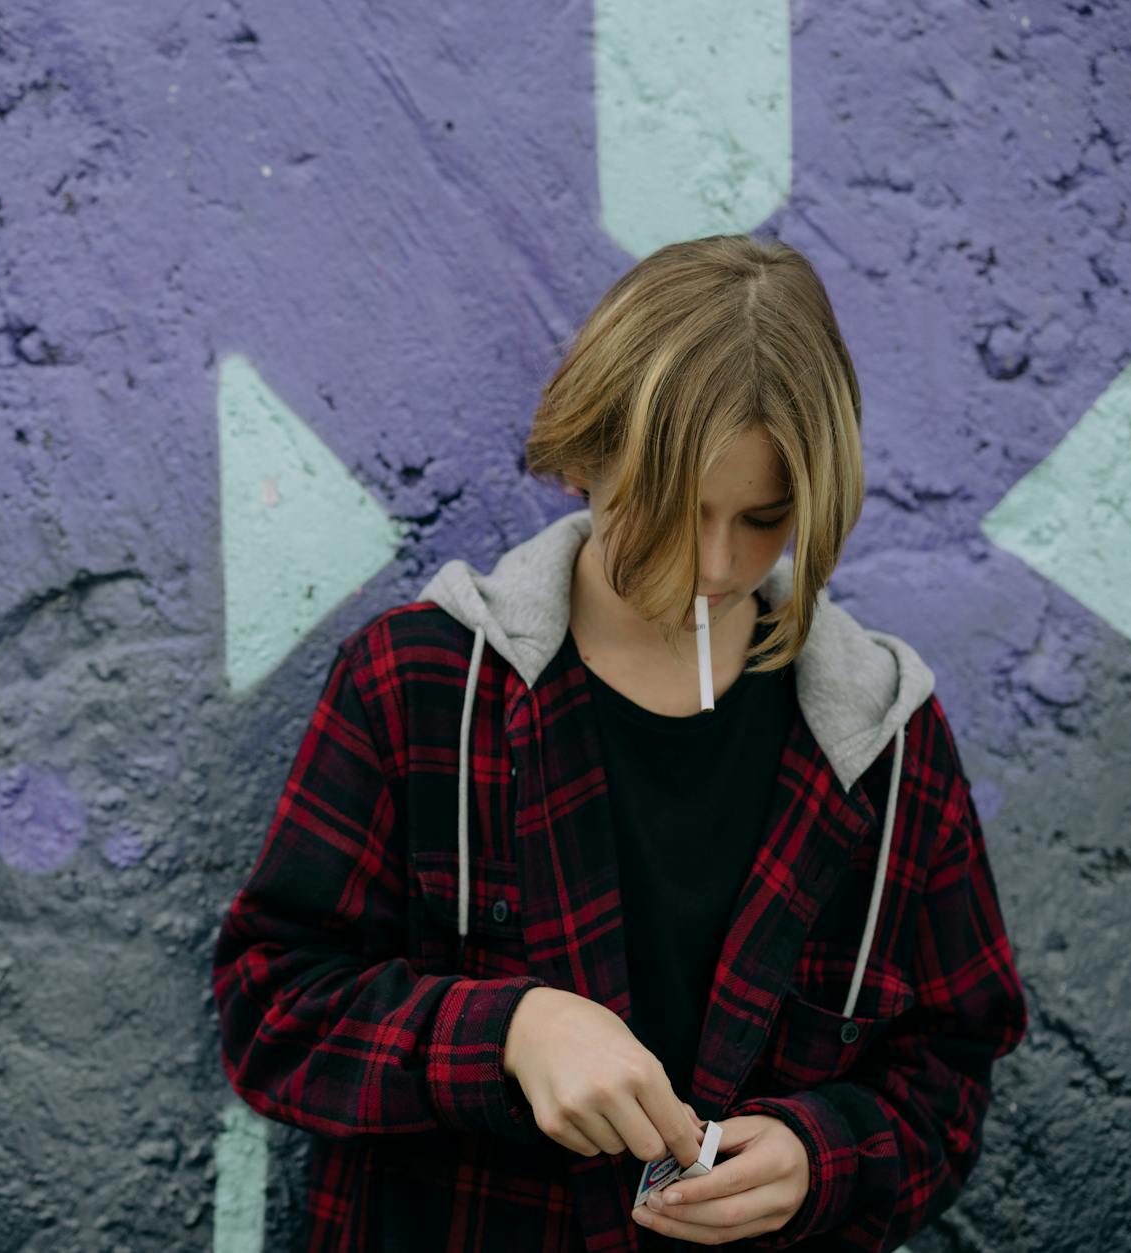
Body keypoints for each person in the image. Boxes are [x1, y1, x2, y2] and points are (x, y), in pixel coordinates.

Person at [211, 234, 1028, 1251]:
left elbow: (948, 1074)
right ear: (587, 453)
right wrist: (508, 1030)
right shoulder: (417, 686)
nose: (717, 562)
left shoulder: (887, 747)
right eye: (678, 511)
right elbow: (270, 1006)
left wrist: (820, 1156)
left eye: (763, 518)